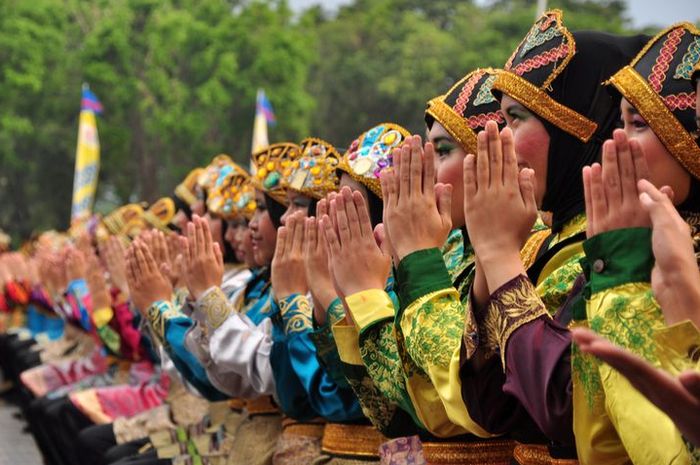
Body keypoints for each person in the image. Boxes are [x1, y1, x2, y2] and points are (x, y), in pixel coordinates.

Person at [454, 9, 648, 463]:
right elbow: (489, 407)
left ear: (580, 124)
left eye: (516, 118)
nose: (500, 142)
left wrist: (498, 254)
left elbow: (566, 404)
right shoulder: (547, 238)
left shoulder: (645, 240)